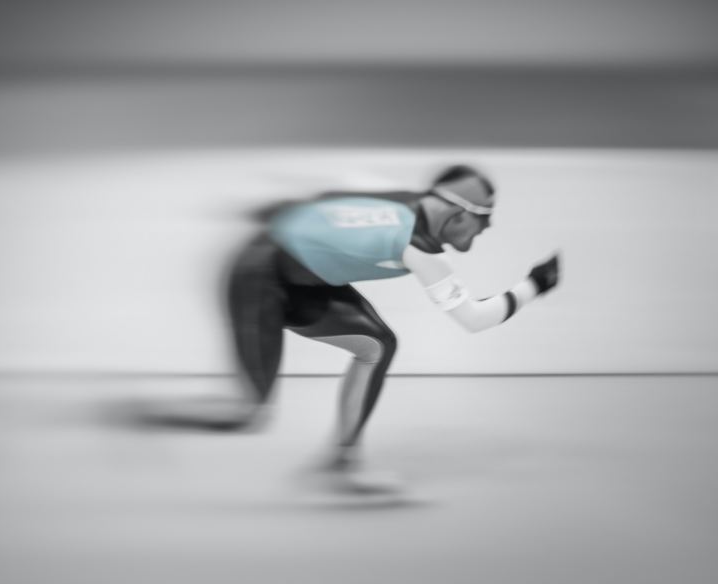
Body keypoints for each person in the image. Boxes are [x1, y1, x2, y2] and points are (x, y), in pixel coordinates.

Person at [143, 164, 560, 494]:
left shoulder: (398, 195)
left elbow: (329, 191)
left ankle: (342, 463)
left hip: (299, 276)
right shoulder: (422, 252)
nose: (486, 230)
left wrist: (270, 205)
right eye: (483, 221)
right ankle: (150, 416)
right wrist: (534, 285)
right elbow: (474, 319)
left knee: (379, 345)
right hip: (258, 274)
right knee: (246, 415)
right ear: (456, 214)